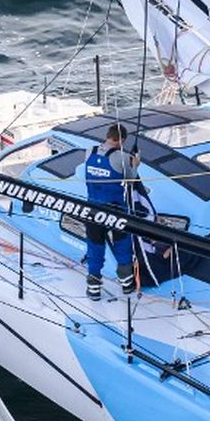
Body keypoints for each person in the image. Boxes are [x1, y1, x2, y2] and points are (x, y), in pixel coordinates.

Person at [82, 123, 140, 300]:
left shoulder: (89, 151)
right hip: (115, 209)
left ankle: (93, 290)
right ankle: (127, 285)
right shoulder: (120, 156)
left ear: (108, 135)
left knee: (95, 248)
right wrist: (135, 164)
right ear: (121, 140)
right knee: (123, 246)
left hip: (92, 208)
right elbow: (130, 180)